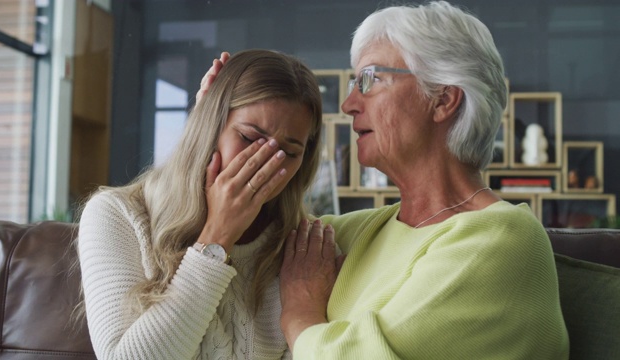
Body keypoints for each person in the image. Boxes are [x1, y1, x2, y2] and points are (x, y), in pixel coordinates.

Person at [196, 1, 572, 358]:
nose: (348, 105)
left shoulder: (500, 239)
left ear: (443, 100)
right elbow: (235, 235)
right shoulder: (354, 233)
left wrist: (301, 315)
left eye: (370, 79)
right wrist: (210, 128)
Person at [76, 49, 324, 359]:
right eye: (249, 138)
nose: (266, 165)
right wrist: (217, 237)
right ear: (210, 125)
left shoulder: (303, 249)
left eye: (288, 153)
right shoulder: (115, 215)